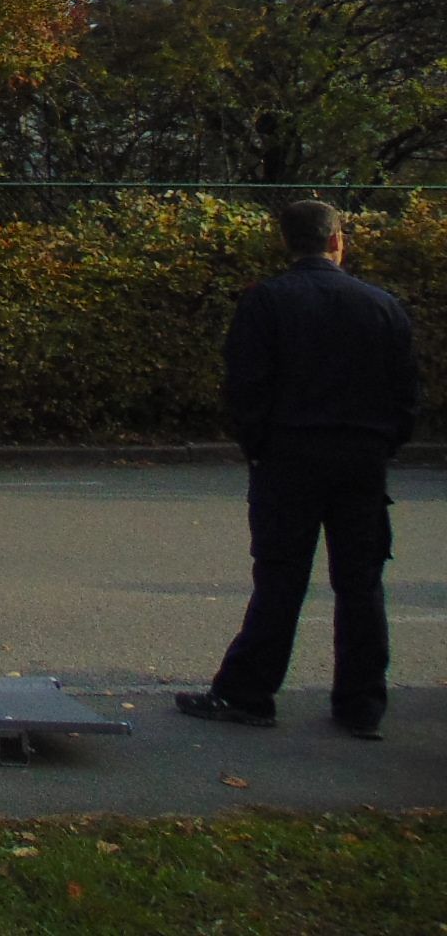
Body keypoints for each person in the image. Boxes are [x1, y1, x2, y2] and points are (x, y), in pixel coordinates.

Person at [177, 199, 420, 740]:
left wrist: (259, 446)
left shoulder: (266, 302)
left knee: (281, 578)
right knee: (361, 582)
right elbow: (406, 393)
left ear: (288, 242)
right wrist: (384, 444)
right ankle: (360, 706)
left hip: (289, 454)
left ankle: (250, 692)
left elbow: (247, 387)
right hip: (362, 458)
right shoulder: (382, 306)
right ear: (338, 240)